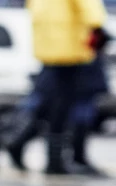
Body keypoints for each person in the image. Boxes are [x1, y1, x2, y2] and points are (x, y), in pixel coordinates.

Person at [0, 56, 109, 175]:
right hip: (68, 59)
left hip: (71, 60)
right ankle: (6, 140)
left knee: (50, 108)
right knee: (45, 107)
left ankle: (8, 141)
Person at [26, 0, 107, 174]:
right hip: (71, 49)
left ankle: (53, 158)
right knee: (63, 106)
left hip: (50, 48)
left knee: (50, 104)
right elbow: (90, 8)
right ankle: (57, 160)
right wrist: (98, 27)